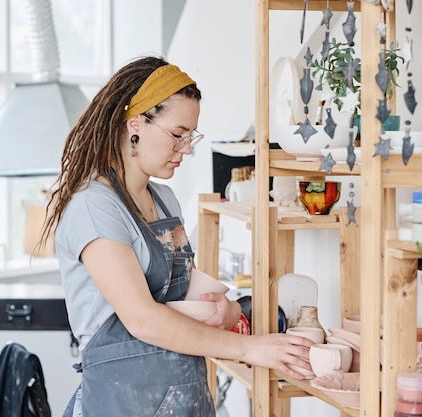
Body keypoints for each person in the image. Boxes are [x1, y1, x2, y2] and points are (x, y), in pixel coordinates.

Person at [37, 55, 314, 417]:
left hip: (185, 398)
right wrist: (248, 349)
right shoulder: (95, 206)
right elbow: (142, 319)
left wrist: (227, 311)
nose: (187, 148)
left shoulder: (164, 201)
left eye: (190, 136)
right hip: (121, 403)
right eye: (178, 135)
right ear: (135, 124)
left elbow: (185, 294)